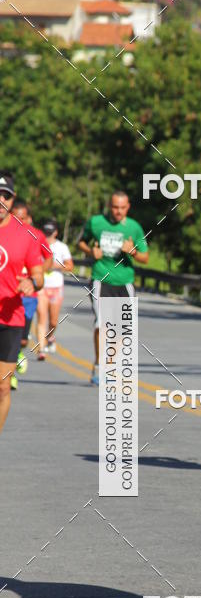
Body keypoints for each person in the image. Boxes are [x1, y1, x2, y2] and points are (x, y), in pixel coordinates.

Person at [78, 191, 149, 385]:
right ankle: (99, 365)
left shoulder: (134, 227)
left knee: (122, 329)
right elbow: (81, 242)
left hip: (124, 282)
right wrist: (90, 251)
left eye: (122, 208)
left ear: (128, 207)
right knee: (101, 324)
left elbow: (145, 257)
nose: (118, 211)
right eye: (115, 207)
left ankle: (108, 364)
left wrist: (132, 251)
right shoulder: (96, 222)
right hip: (101, 279)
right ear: (109, 206)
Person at [0, 173, 45, 431]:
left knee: (3, 387)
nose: (1, 200)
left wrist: (32, 282)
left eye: (5, 196)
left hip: (10, 319)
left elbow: (38, 275)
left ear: (12, 198)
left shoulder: (25, 235)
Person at [10, 199, 51, 381]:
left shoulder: (36, 236)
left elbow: (48, 257)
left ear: (30, 218)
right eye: (16, 218)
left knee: (23, 339)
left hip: (28, 295)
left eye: (23, 219)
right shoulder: (5, 233)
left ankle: (17, 355)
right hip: (8, 293)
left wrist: (37, 275)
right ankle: (9, 374)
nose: (20, 223)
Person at [37, 219, 73, 356]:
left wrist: (56, 265)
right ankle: (41, 349)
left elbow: (70, 266)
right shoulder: (37, 244)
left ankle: (50, 337)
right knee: (42, 318)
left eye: (50, 233)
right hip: (41, 287)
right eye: (45, 232)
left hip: (56, 287)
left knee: (53, 321)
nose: (47, 235)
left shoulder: (62, 247)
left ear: (56, 232)